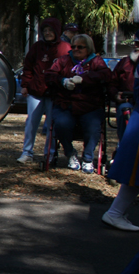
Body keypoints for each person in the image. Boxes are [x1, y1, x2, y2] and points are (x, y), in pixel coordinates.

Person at [45, 33, 112, 174]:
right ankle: (70, 153)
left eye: (80, 47)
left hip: (90, 105)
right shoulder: (63, 60)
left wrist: (84, 79)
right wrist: (63, 81)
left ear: (88, 48)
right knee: (61, 124)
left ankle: (88, 158)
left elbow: (106, 75)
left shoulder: (97, 61)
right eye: (73, 46)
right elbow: (50, 75)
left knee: (93, 127)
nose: (76, 49)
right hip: (66, 103)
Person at [16, 17, 71, 164]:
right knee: (31, 122)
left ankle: (50, 154)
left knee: (52, 125)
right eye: (45, 30)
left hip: (55, 92)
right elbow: (28, 67)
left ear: (57, 31)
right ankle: (27, 152)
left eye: (50, 30)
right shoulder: (36, 47)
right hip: (36, 91)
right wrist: (25, 85)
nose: (47, 33)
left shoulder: (65, 48)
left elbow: (69, 69)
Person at [109, 33, 139, 144]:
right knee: (124, 110)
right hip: (128, 101)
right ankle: (124, 145)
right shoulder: (124, 63)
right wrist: (115, 95)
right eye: (136, 42)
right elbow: (112, 83)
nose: (136, 46)